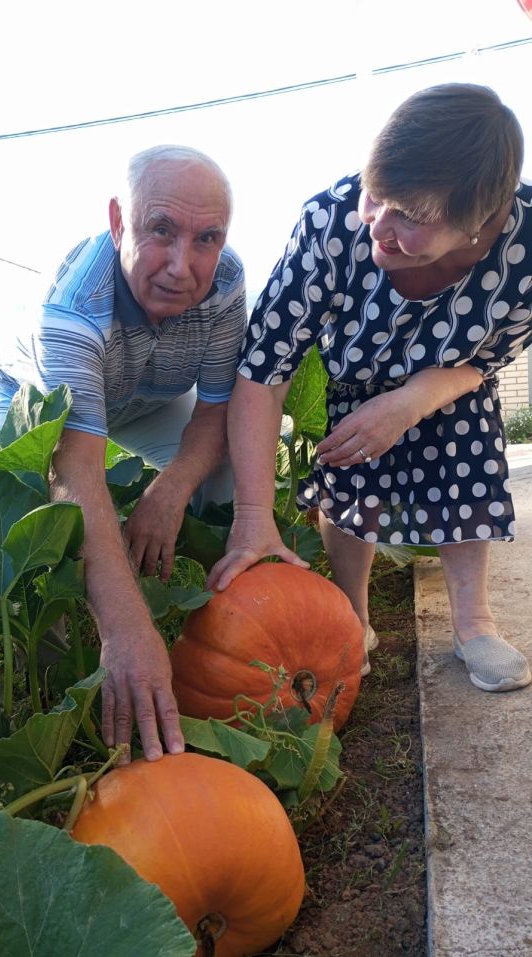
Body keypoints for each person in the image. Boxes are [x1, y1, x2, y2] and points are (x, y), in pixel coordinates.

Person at [208, 83, 532, 693]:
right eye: (375, 196)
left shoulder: (528, 248)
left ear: (478, 224)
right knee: (351, 463)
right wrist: (253, 515)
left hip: (449, 382)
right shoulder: (329, 222)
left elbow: (485, 360)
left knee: (467, 441)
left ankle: (474, 622)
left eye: (411, 217)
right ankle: (352, 615)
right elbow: (263, 369)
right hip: (354, 379)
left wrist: (412, 400)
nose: (377, 225)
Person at [0, 145, 247, 758]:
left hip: (152, 395)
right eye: (161, 230)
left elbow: (214, 413)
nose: (182, 266)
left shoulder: (227, 282)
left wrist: (171, 489)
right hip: (37, 399)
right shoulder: (74, 312)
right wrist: (126, 629)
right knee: (25, 531)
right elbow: (76, 467)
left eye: (206, 238)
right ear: (117, 222)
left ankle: (221, 626)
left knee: (226, 469)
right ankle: (55, 687)